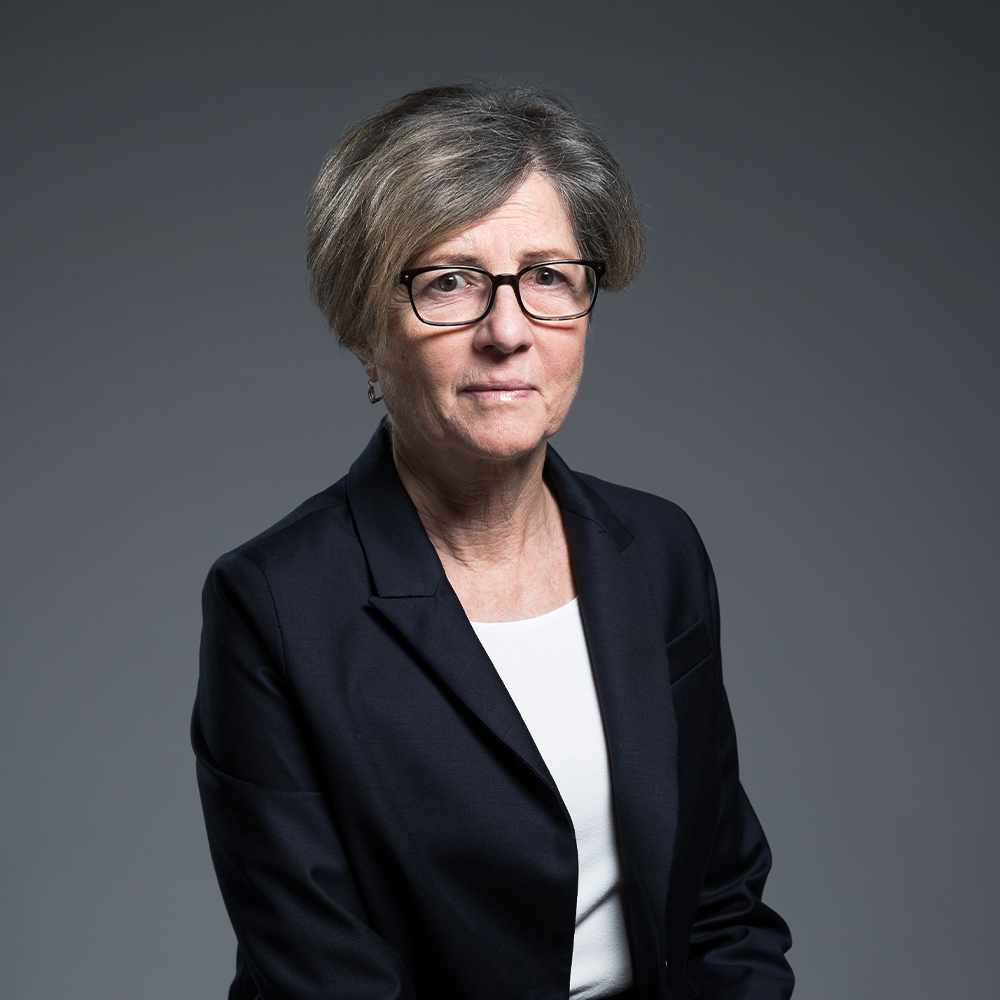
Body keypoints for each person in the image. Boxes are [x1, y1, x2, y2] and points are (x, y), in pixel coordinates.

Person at [192, 83, 794, 1000]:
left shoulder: (658, 550)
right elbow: (321, 975)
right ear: (364, 330)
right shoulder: (275, 602)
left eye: (547, 276)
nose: (507, 332)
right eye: (448, 281)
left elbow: (721, 902)